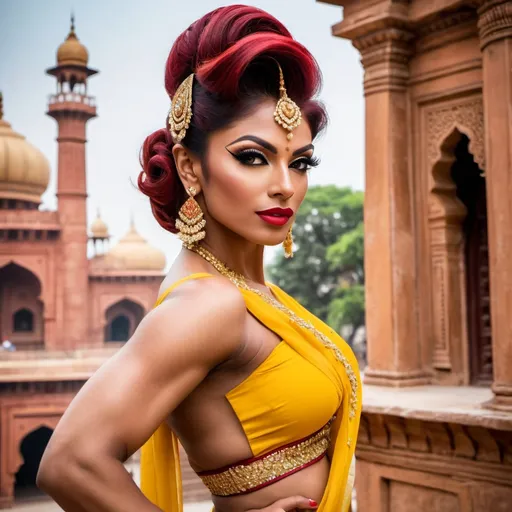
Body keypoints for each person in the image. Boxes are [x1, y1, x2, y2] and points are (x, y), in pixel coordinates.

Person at [37, 5, 362, 512]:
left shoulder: (245, 292)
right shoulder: (208, 306)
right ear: (190, 167)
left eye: (300, 162)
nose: (284, 186)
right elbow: (70, 463)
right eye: (252, 157)